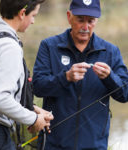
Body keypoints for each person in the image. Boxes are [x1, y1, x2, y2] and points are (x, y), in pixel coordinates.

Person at [32, 0, 128, 149]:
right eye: (80, 20)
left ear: (96, 21)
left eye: (91, 21)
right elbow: (37, 87)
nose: (85, 27)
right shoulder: (49, 46)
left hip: (94, 145)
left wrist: (110, 78)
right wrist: (66, 78)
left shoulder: (110, 51)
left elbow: (124, 94)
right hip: (54, 145)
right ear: (69, 16)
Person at [0, 0, 53, 150]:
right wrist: (33, 119)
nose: (33, 21)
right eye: (33, 15)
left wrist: (31, 108)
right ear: (22, 13)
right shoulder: (8, 46)